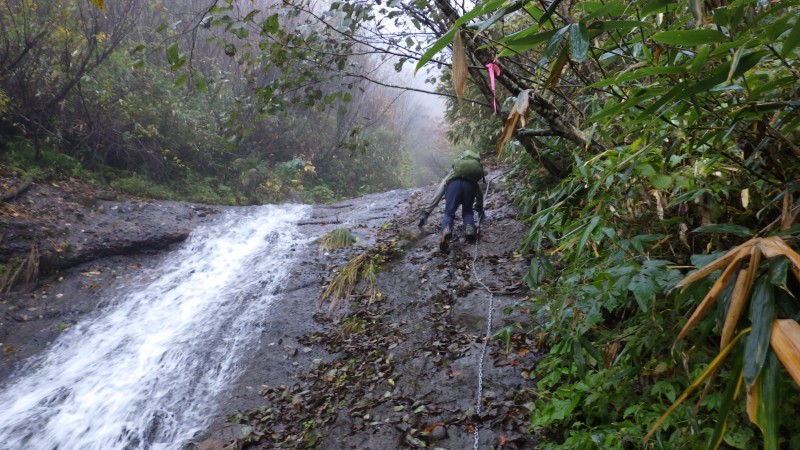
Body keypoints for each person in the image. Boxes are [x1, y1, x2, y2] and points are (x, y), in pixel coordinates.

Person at [418, 149, 486, 251]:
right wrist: (480, 209)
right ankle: (469, 228)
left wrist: (427, 212)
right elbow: (479, 194)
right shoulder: (473, 177)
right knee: (468, 211)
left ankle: (446, 230)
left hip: (453, 187)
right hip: (469, 187)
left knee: (449, 213)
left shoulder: (452, 174)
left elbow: (439, 192)